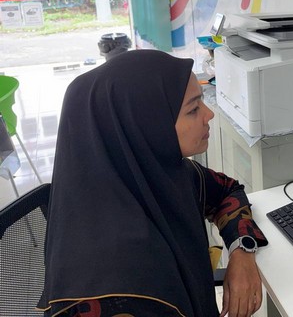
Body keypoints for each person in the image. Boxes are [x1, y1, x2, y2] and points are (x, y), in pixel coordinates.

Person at [37, 50, 268, 317]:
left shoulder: (153, 173)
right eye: (193, 109)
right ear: (147, 124)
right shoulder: (115, 288)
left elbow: (227, 190)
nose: (208, 115)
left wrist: (242, 250)